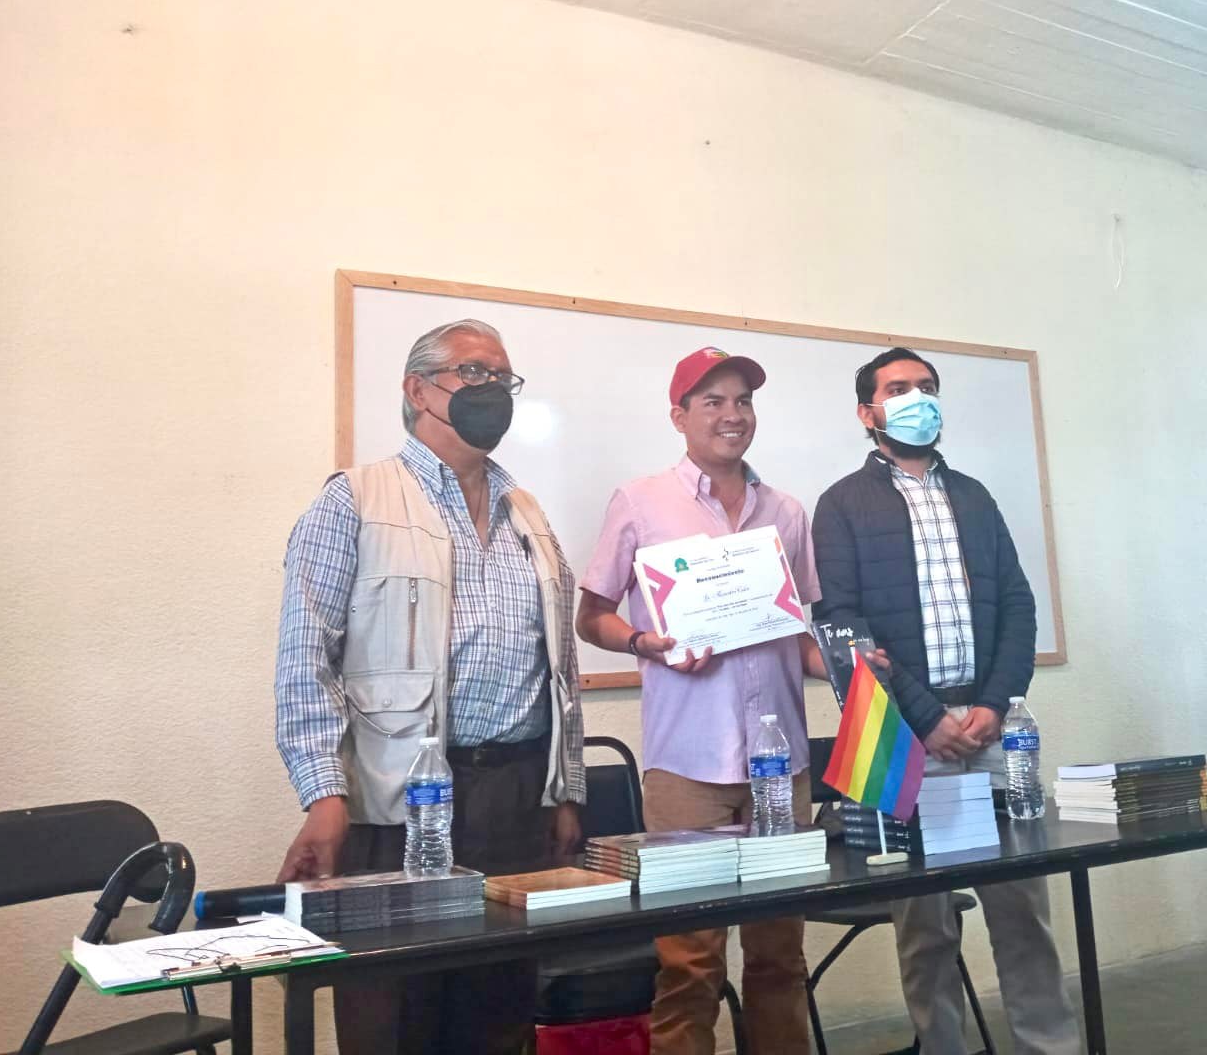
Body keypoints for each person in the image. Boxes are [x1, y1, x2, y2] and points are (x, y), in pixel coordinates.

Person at [274, 318, 585, 1055]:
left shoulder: (526, 511)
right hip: (399, 801)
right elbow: (304, 659)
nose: (492, 391)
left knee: (498, 1012)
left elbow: (559, 664)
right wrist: (324, 796)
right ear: (418, 390)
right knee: (393, 1015)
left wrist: (565, 789)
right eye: (472, 373)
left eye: (503, 378)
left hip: (515, 798)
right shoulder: (353, 500)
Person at [811, 347, 1080, 1055]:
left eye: (927, 387)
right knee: (924, 925)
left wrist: (994, 703)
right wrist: (926, 719)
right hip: (904, 736)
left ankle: (1048, 1046)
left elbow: (1018, 605)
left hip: (991, 732)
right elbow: (843, 627)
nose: (917, 398)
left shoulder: (975, 496)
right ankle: (942, 1047)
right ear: (867, 412)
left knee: (1023, 910)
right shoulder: (841, 505)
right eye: (898, 388)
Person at [577, 346, 824, 1055]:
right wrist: (643, 643)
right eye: (713, 401)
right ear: (678, 416)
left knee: (780, 959)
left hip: (780, 767)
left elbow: (797, 632)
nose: (732, 414)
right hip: (686, 768)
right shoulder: (639, 501)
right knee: (689, 965)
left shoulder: (787, 511)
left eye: (743, 400)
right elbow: (591, 616)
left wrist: (850, 670)